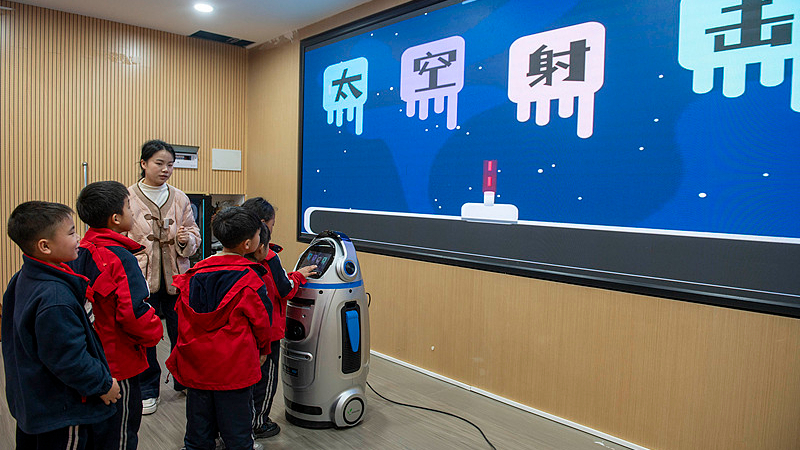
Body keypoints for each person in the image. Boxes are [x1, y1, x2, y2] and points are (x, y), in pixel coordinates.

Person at [2, 201, 121, 450]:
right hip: (62, 409)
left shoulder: (23, 277)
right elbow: (68, 358)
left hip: (34, 400)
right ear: (45, 246)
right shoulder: (54, 298)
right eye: (71, 232)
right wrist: (103, 384)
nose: (78, 238)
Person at [68, 181, 165, 450]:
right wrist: (155, 332)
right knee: (121, 432)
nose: (132, 212)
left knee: (95, 432)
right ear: (116, 218)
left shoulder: (80, 250)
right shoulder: (119, 257)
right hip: (118, 361)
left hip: (90, 359)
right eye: (129, 207)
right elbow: (133, 313)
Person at [166, 207, 272, 450]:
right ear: (248, 244)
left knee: (198, 433)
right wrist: (264, 349)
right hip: (234, 368)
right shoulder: (251, 280)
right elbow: (262, 323)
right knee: (237, 434)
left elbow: (183, 318)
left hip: (197, 366)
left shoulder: (194, 274)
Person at [127, 139, 200, 414]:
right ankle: (148, 389)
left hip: (176, 278)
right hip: (141, 279)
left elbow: (194, 232)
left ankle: (184, 379)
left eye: (170, 164)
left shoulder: (180, 198)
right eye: (159, 163)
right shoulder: (127, 197)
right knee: (145, 336)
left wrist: (186, 240)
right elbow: (119, 236)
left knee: (182, 332)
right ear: (144, 163)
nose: (165, 169)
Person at [241, 197, 316, 439]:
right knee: (265, 380)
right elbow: (285, 289)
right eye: (272, 225)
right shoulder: (269, 256)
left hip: (241, 333)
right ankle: (258, 422)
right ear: (262, 225)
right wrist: (299, 276)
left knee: (244, 380)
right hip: (269, 332)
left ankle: (239, 423)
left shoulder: (235, 255)